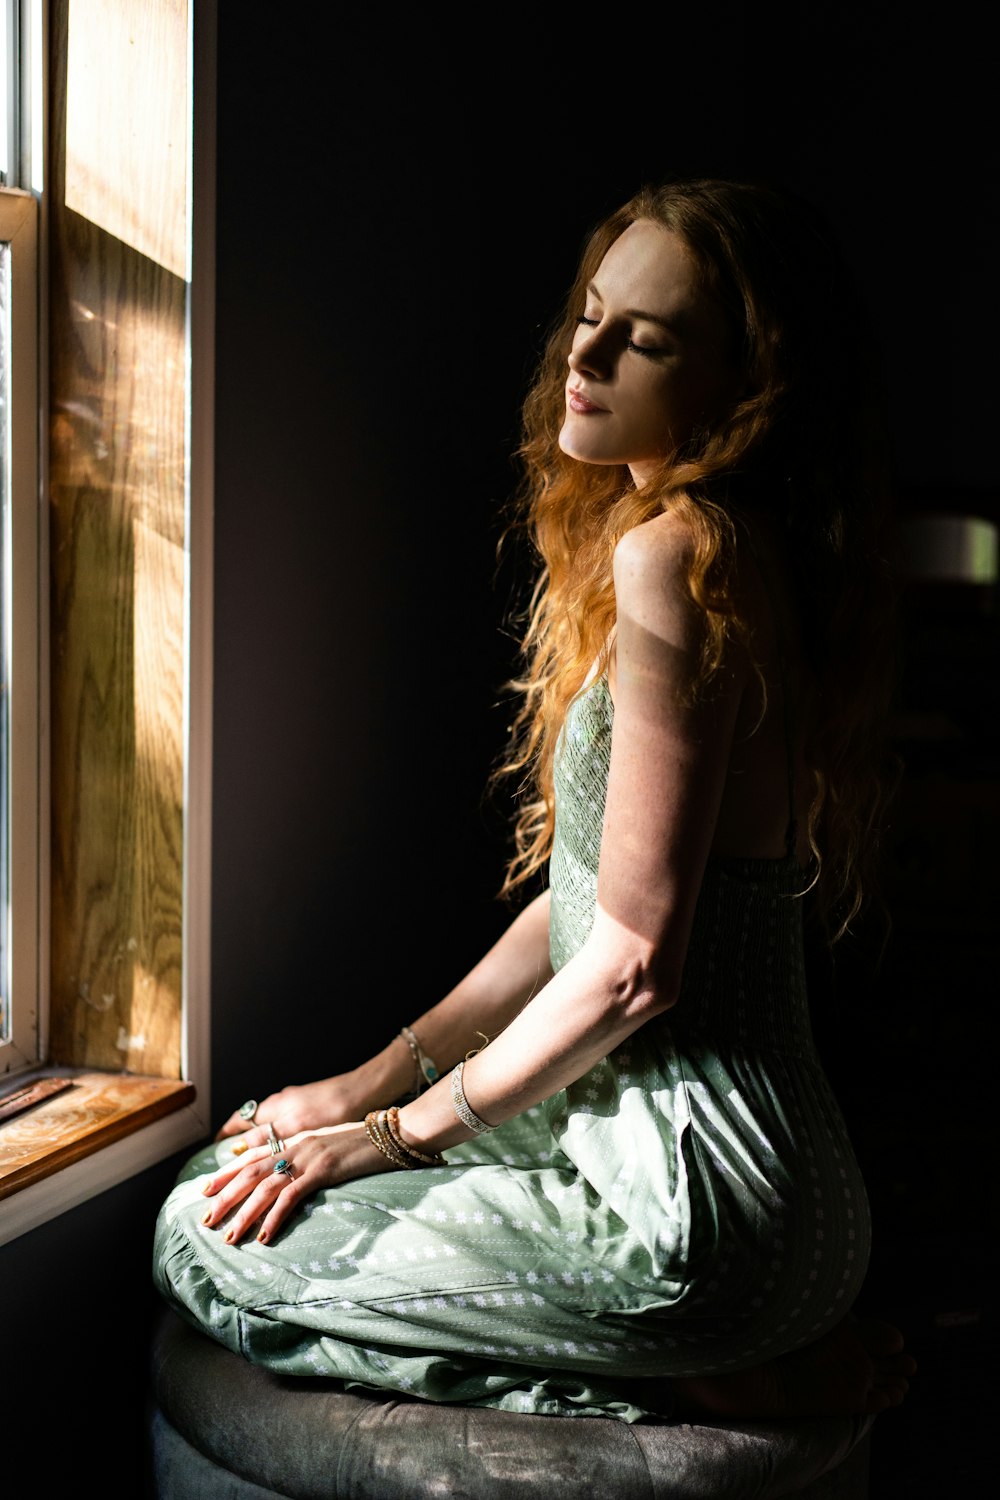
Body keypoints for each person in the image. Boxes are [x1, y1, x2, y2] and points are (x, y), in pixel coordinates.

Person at [153, 175, 915, 1423]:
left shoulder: (676, 555)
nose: (588, 352)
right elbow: (577, 911)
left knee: (200, 1237)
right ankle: (727, 1362)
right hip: (756, 1192)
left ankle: (714, 1379)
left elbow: (628, 971)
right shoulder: (726, 551)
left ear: (747, 389)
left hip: (687, 1209)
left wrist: (394, 1139)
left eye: (647, 339)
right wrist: (364, 1088)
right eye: (592, 313)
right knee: (247, 1162)